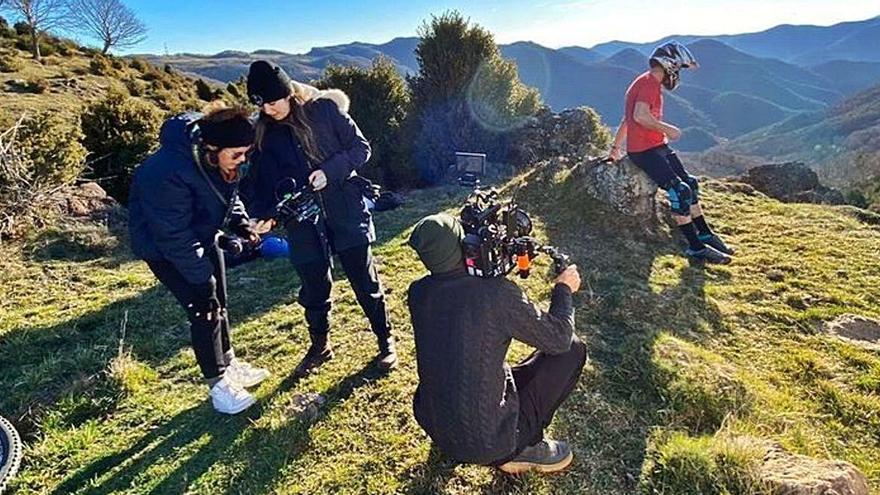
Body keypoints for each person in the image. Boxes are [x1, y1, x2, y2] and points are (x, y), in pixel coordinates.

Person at [241, 60, 397, 378]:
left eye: (273, 102)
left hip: (346, 209)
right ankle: (320, 346)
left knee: (365, 282)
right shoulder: (263, 134)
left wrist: (330, 171)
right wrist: (264, 215)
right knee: (313, 286)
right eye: (262, 105)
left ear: (288, 93)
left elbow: (360, 148)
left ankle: (385, 340)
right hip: (301, 221)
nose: (269, 110)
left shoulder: (324, 111)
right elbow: (258, 184)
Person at [406, 213, 587, 474]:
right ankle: (526, 446)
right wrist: (563, 290)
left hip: (436, 426)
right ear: (463, 246)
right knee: (573, 349)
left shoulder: (418, 292)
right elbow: (558, 339)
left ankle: (465, 435)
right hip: (488, 443)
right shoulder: (496, 293)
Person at [128, 105, 271, 415]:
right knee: (203, 309)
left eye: (246, 153)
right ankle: (218, 386)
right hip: (165, 249)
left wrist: (241, 222)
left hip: (201, 236)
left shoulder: (216, 158)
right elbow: (173, 235)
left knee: (219, 301)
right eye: (236, 154)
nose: (242, 160)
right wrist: (200, 279)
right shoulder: (165, 171)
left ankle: (229, 364)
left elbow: (226, 196)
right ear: (211, 148)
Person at [609, 41, 735, 264]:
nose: (677, 74)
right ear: (670, 65)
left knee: (690, 183)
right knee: (680, 191)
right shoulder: (649, 83)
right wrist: (669, 129)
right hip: (644, 150)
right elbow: (639, 116)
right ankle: (696, 247)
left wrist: (615, 148)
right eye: (678, 69)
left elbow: (626, 119)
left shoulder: (648, 82)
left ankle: (705, 233)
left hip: (656, 146)